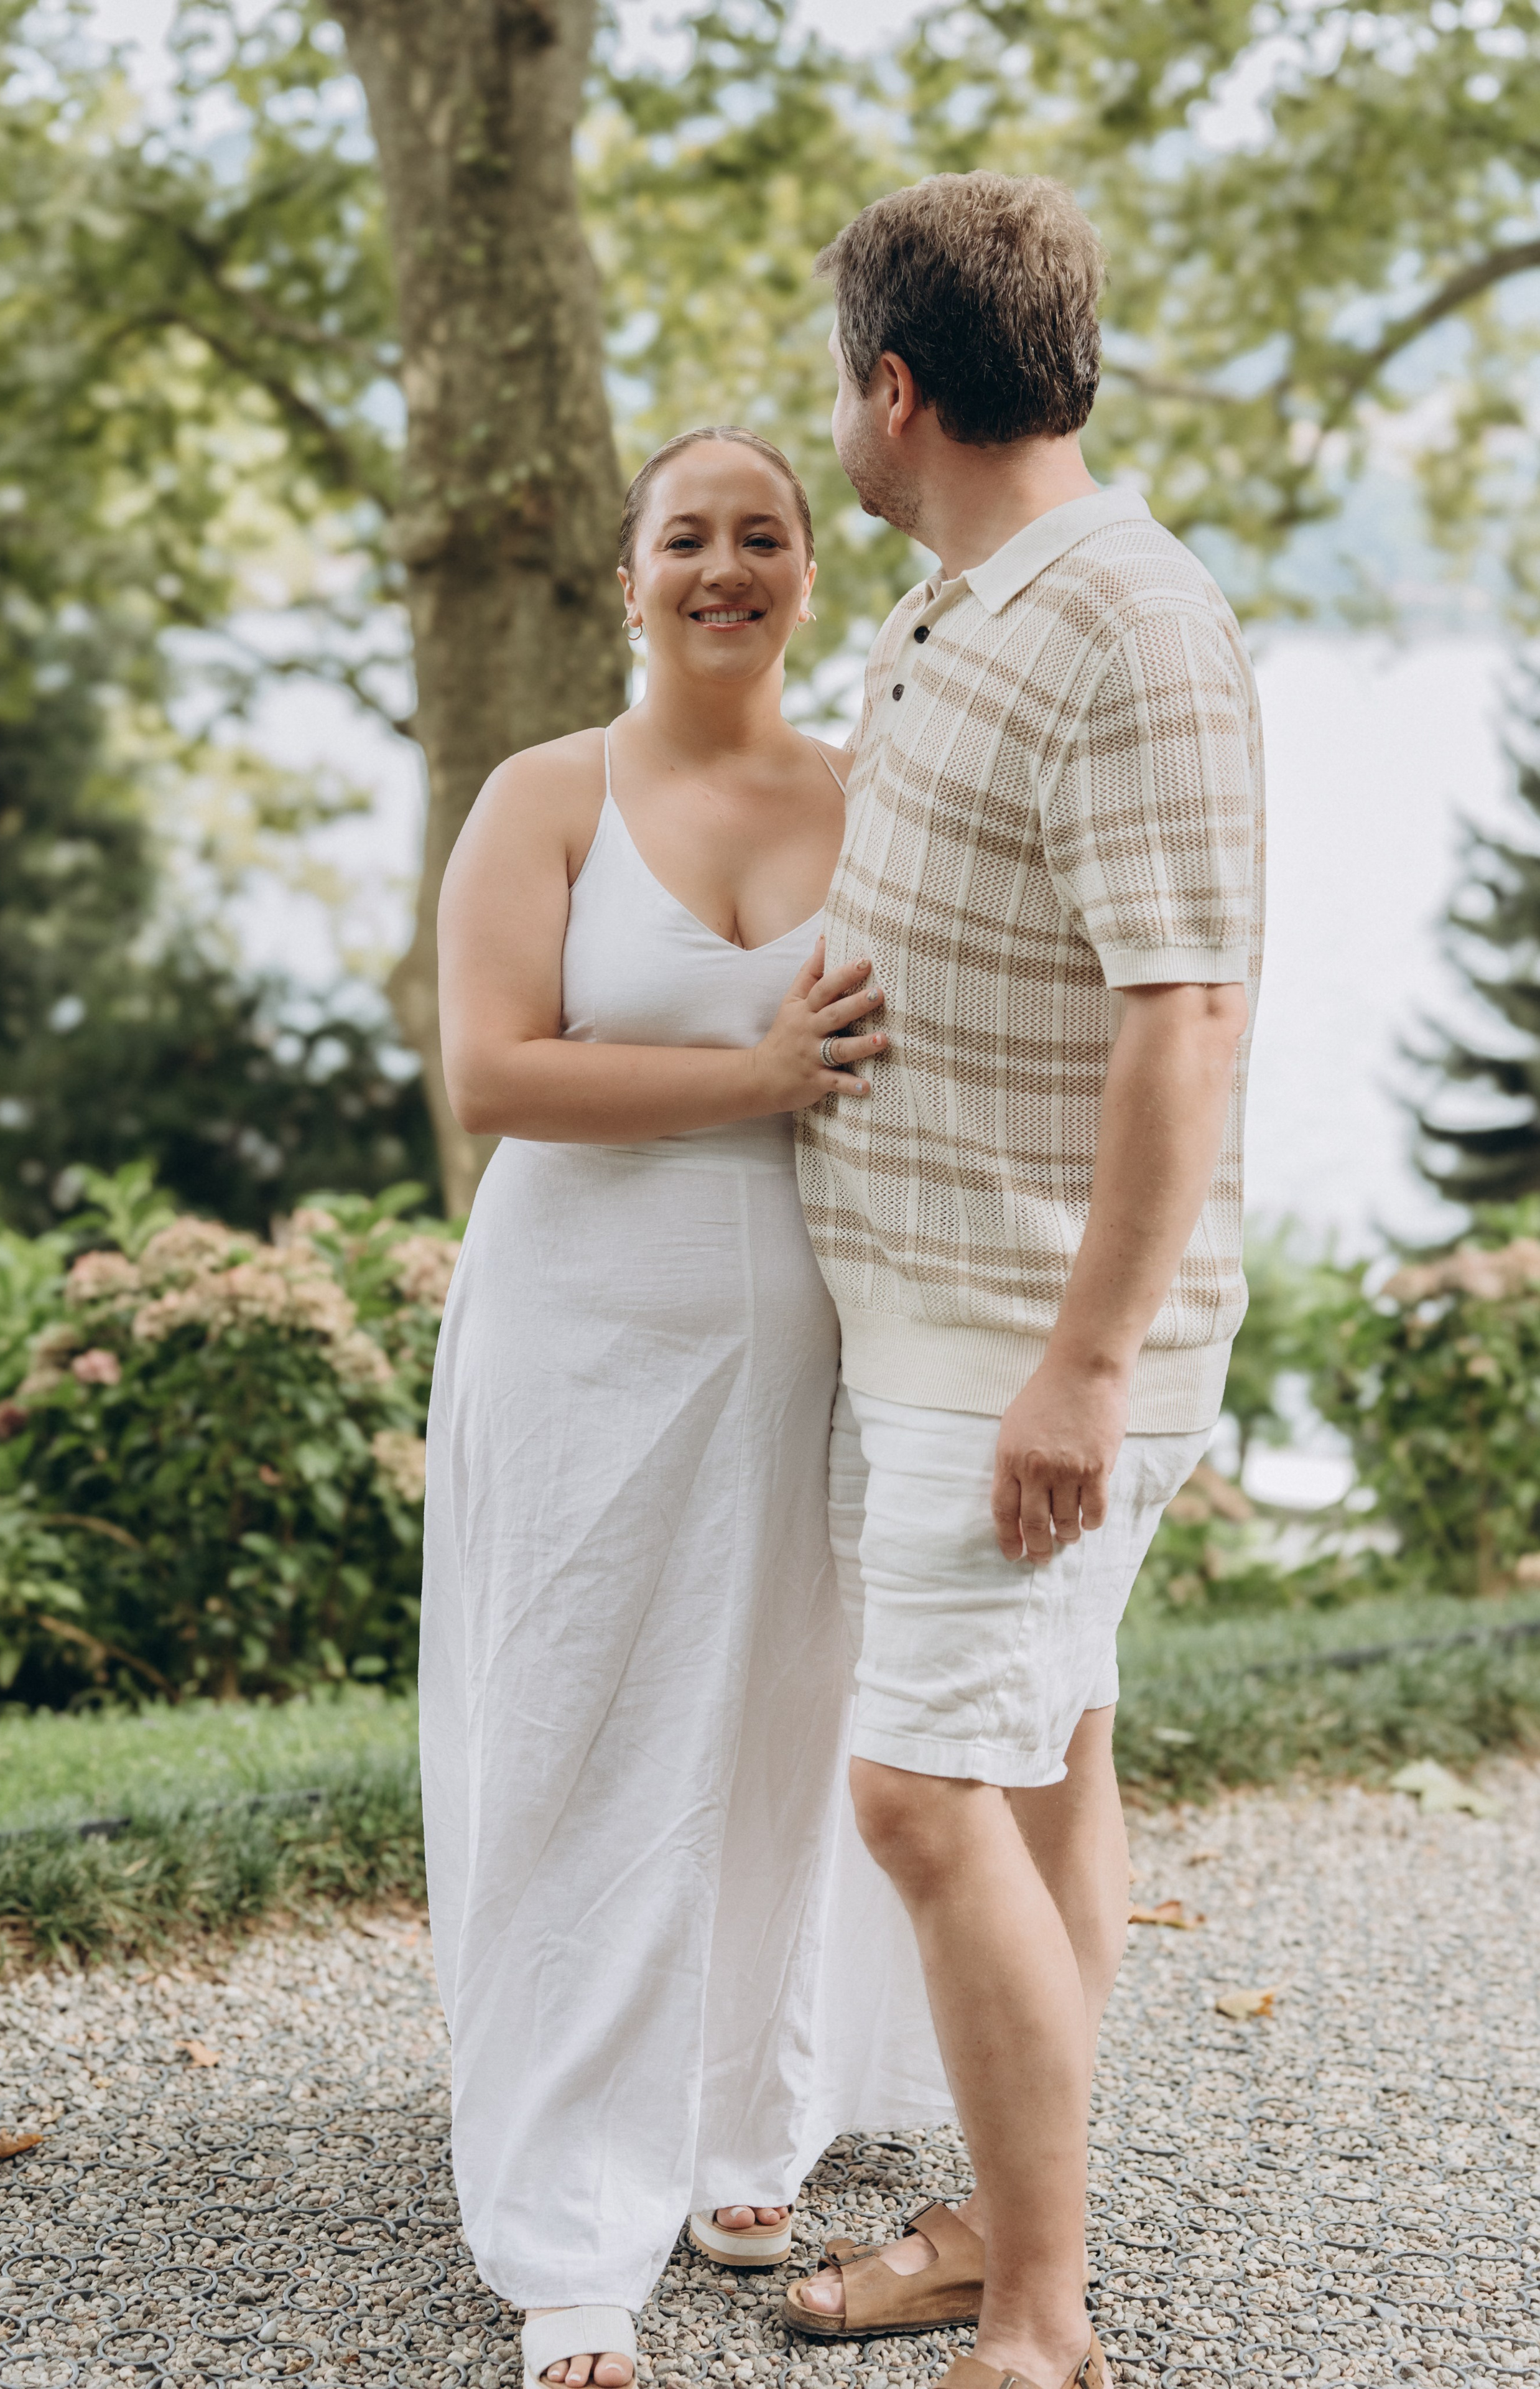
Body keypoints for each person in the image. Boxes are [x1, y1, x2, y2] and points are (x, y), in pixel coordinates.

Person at [787, 174, 1265, 2389]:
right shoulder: (949, 607)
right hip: (929, 1315)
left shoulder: (1131, 624)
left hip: (1028, 1353)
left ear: (897, 390)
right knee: (1053, 1767)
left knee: (915, 1796)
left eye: (839, 389)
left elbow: (1188, 1015)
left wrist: (1085, 1366)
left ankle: (1047, 2323)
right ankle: (999, 2230)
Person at [419, 427, 949, 2389]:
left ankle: (743, 2127)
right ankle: (569, 2224)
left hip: (812, 1331)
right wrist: (753, 1078)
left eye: (763, 535)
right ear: (629, 578)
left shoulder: (873, 794)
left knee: (779, 1722)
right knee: (580, 1728)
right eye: (687, 538)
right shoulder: (543, 797)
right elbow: (495, 1072)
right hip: (578, 1333)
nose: (725, 566)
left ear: (812, 573)